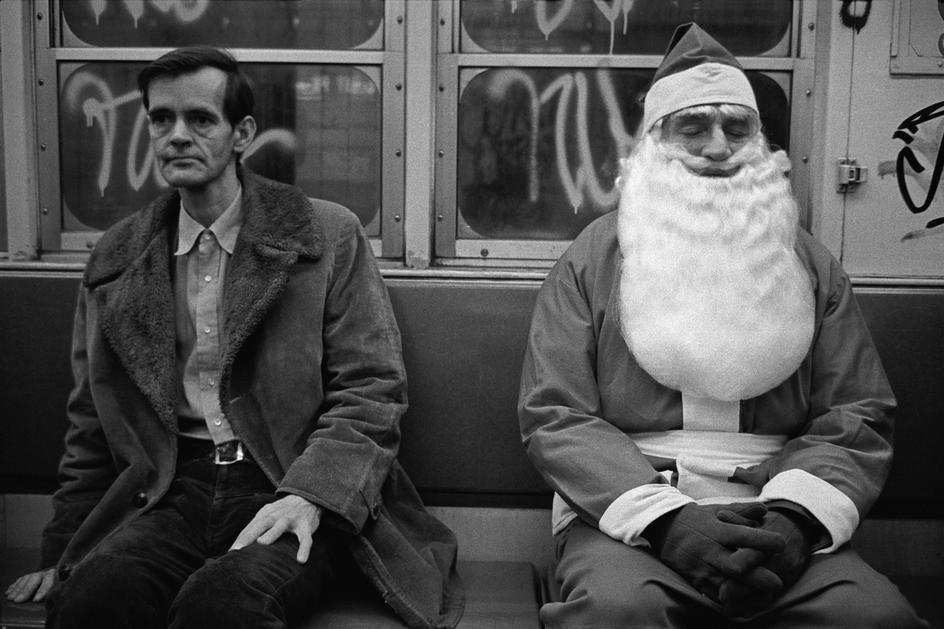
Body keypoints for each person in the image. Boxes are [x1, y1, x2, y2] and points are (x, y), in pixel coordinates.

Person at [4, 46, 462, 629]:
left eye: (199, 120)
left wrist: (312, 497)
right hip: (168, 490)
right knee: (91, 602)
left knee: (222, 608)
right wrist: (63, 550)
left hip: (284, 480)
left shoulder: (324, 236)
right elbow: (92, 423)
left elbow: (372, 390)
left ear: (241, 133)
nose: (176, 136)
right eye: (161, 119)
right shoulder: (117, 260)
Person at [518, 23, 927, 628]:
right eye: (693, 127)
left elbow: (857, 412)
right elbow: (555, 413)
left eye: (737, 128)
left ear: (760, 142)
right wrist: (669, 523)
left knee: (873, 618)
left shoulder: (809, 263)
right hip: (631, 513)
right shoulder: (592, 258)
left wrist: (795, 522)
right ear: (655, 140)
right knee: (619, 611)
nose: (718, 148)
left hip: (779, 508)